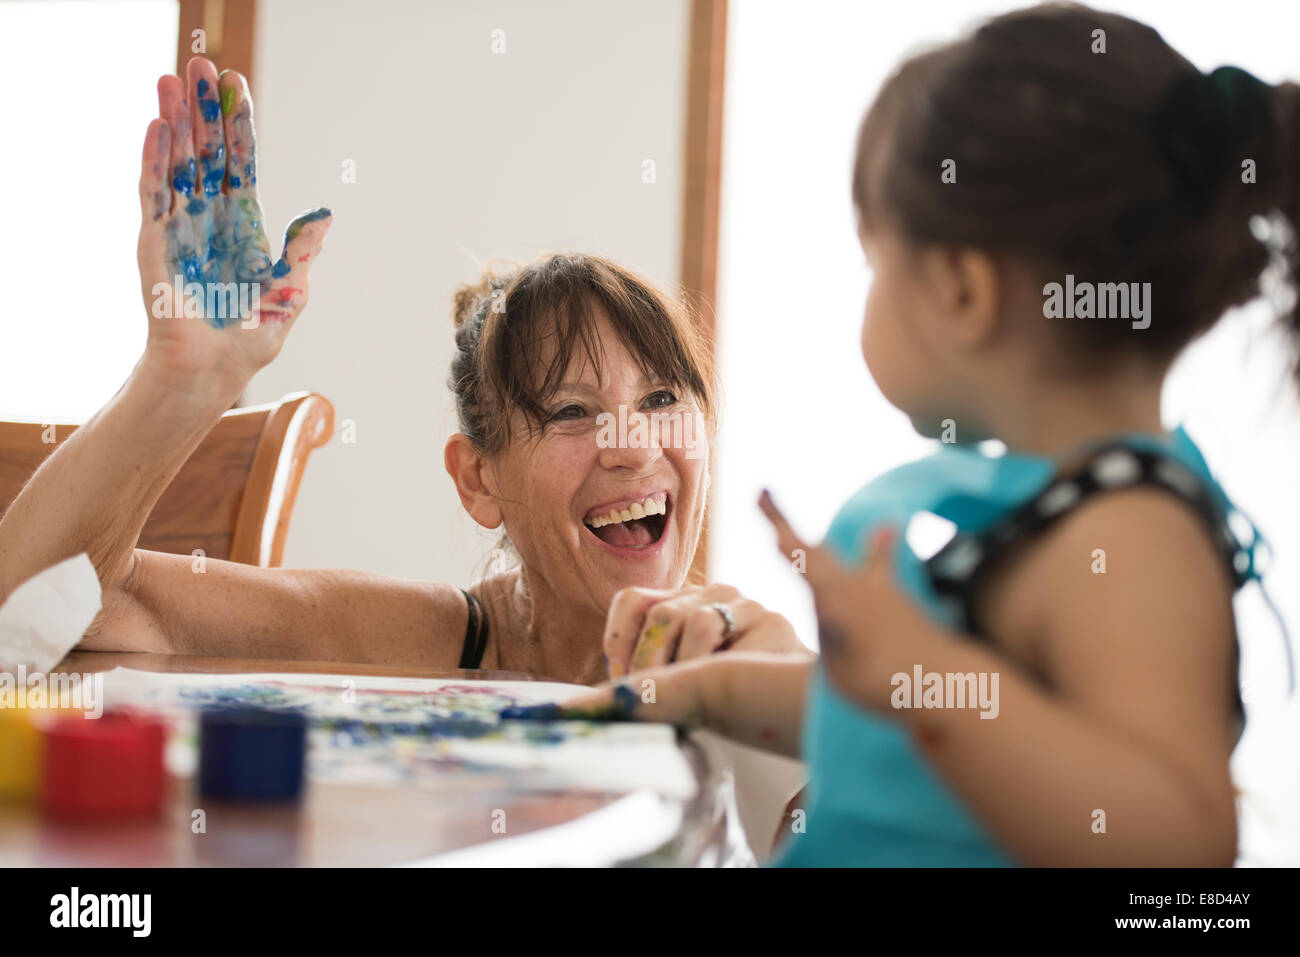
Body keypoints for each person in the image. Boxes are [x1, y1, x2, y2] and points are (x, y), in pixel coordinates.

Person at [566, 3, 1300, 866]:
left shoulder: (1132, 532)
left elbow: (1178, 839)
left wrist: (916, 664)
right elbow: (890, 726)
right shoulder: (1047, 506)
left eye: (875, 260)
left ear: (961, 290)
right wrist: (698, 691)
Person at [0, 57, 807, 686]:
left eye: (662, 397)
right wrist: (177, 386)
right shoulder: (409, 643)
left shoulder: (739, 661)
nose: (633, 446)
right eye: (571, 411)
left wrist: (804, 707)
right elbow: (37, 612)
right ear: (478, 481)